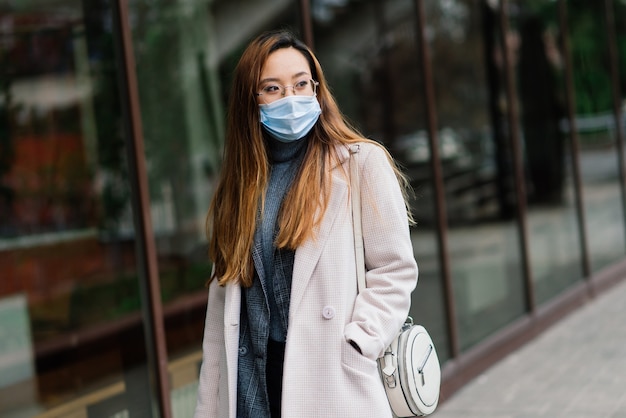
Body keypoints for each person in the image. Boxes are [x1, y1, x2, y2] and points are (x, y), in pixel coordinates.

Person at [194, 29, 418, 418]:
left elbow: (395, 269)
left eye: (301, 84)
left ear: (317, 88)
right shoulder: (240, 186)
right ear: (252, 100)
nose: (291, 100)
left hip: (330, 378)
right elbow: (221, 312)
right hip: (253, 384)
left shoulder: (359, 164)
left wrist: (360, 342)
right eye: (273, 89)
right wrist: (210, 403)